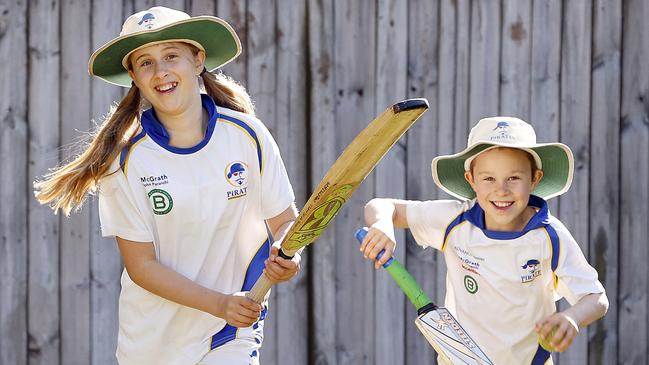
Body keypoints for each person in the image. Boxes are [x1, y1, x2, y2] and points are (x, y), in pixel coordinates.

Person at [34, 6, 300, 365]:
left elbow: (285, 222)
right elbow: (142, 266)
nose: (161, 72)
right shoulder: (125, 161)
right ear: (134, 76)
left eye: (171, 56)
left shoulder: (249, 136)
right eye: (145, 62)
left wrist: (287, 254)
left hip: (229, 333)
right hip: (151, 344)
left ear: (198, 60)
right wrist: (218, 302)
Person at [359, 116, 609, 364]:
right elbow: (380, 206)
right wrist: (382, 224)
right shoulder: (455, 220)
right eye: (489, 178)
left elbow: (596, 298)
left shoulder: (551, 236)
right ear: (471, 180)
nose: (501, 190)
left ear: (535, 179)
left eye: (513, 178)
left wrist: (572, 318)